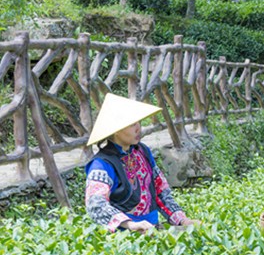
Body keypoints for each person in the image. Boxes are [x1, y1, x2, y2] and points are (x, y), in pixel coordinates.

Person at [84, 93, 195, 233]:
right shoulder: (101, 165)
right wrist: (130, 224)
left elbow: (160, 190)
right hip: (124, 237)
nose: (138, 128)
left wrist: (182, 220)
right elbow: (95, 204)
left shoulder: (143, 151)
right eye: (132, 124)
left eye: (138, 122)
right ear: (116, 130)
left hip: (152, 230)